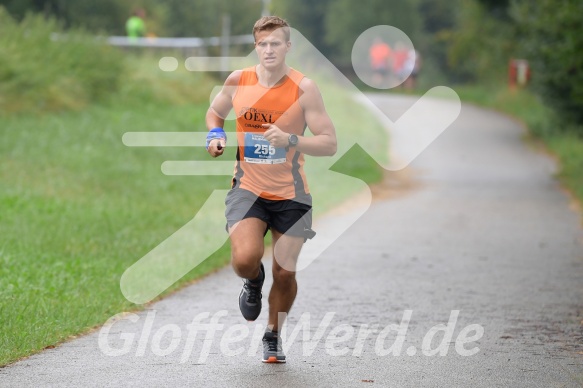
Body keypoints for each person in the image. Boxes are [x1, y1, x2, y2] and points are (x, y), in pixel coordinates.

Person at [206, 16, 337, 363]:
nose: (268, 50)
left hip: (291, 194)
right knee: (245, 259)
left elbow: (329, 143)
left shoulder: (303, 88)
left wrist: (291, 138)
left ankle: (273, 335)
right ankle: (253, 280)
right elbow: (215, 112)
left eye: (275, 43)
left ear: (287, 47)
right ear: (255, 46)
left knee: (286, 270)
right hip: (247, 190)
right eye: (262, 44)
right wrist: (215, 136)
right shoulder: (239, 80)